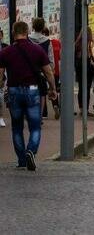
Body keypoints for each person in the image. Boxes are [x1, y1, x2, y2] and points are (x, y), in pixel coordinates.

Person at [0, 21, 57, 170]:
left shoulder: (6, 52)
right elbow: (48, 72)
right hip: (32, 91)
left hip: (13, 92)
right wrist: (52, 88)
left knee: (17, 127)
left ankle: (21, 161)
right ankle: (31, 150)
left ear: (13, 32)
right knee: (35, 126)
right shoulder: (37, 50)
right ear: (27, 32)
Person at [28, 18, 55, 120]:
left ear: (33, 27)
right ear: (43, 27)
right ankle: (39, 116)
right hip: (42, 74)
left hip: (29, 72)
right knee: (42, 93)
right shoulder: (47, 41)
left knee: (30, 93)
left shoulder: (27, 39)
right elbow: (50, 60)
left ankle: (30, 114)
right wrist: (50, 71)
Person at [75, 27, 94, 115]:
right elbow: (93, 57)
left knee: (81, 88)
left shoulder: (77, 44)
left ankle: (81, 109)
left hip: (79, 68)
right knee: (87, 89)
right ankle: (86, 110)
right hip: (88, 68)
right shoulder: (90, 44)